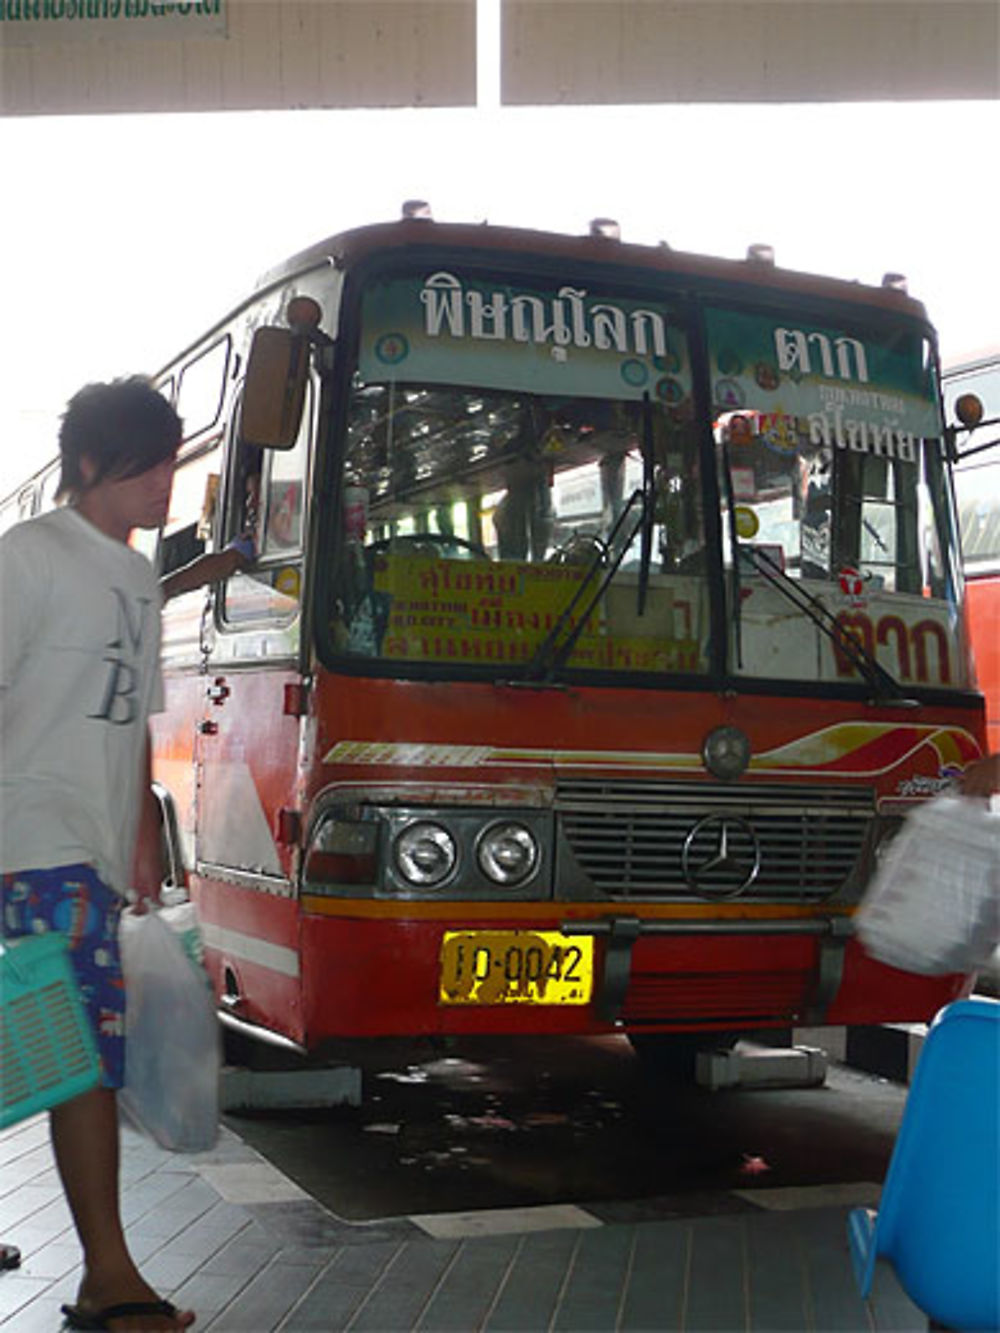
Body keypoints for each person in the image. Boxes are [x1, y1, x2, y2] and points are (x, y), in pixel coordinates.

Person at [0, 378, 195, 1332]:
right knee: (79, 1053)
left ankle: (104, 1269)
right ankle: (108, 1273)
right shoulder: (29, 559)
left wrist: (143, 829)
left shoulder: (138, 578)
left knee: (45, 1042)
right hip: (28, 842)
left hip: (93, 850)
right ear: (89, 464)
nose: (169, 478)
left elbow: (133, 719)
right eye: (149, 461)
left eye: (172, 458)